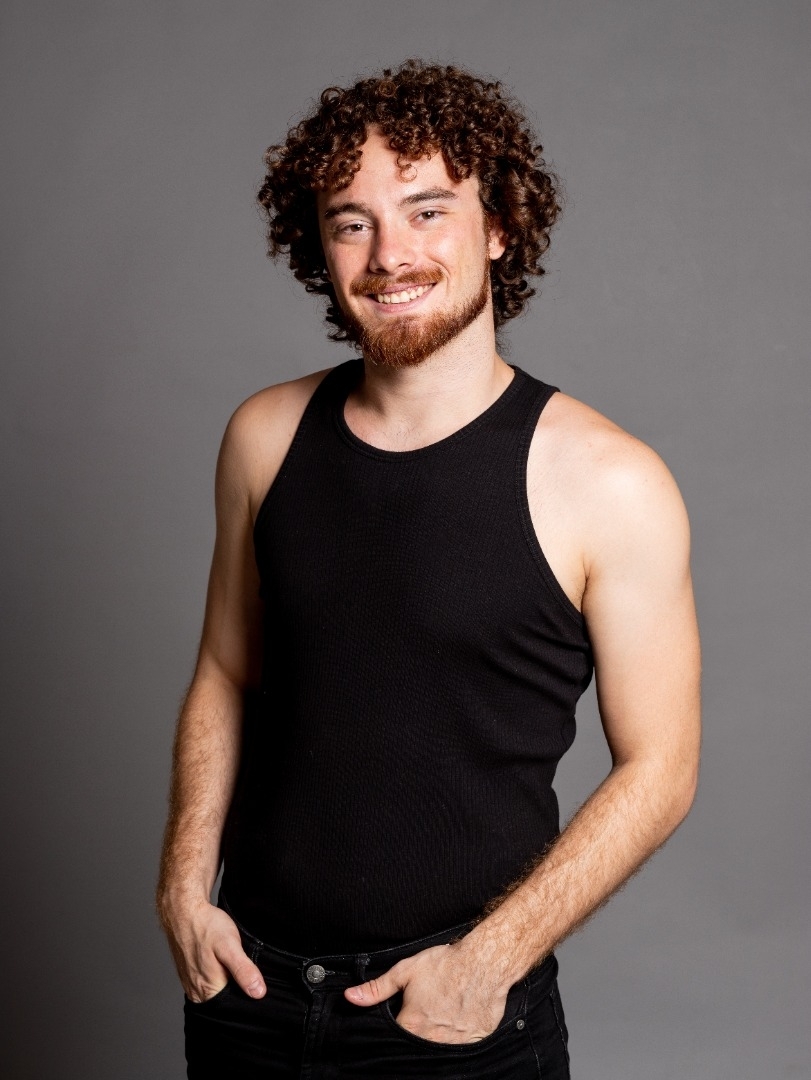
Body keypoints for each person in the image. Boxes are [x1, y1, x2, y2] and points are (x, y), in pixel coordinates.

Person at [157, 60, 701, 1079]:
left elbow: (660, 767)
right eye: (351, 222)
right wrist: (185, 890)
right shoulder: (263, 436)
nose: (389, 255)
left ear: (498, 226)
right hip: (248, 995)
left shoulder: (609, 481)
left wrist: (488, 963)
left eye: (426, 211)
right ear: (319, 247)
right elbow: (226, 672)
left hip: (452, 1015)